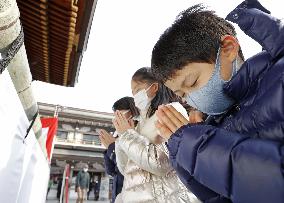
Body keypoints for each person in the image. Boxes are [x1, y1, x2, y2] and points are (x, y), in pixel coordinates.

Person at [151, 1, 284, 203]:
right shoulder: (215, 125)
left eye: (192, 82)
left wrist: (197, 147)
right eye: (183, 95)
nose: (192, 98)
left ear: (229, 49)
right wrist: (183, 154)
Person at [113, 67, 200, 203]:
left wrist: (127, 136)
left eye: (137, 90)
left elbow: (162, 164)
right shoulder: (139, 124)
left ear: (154, 88)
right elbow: (126, 169)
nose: (135, 97)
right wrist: (122, 138)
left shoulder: (171, 111)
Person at [99, 96, 139, 203]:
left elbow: (130, 166)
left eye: (120, 115)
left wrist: (112, 147)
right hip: (118, 193)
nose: (116, 120)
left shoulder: (139, 134)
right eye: (115, 116)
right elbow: (111, 171)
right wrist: (108, 148)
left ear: (131, 113)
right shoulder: (118, 135)